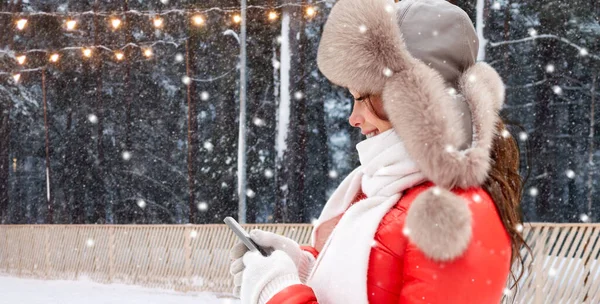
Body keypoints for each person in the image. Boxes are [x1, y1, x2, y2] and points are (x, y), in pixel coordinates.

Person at [229, 0, 526, 303]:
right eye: (352, 99)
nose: (354, 118)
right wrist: (301, 267)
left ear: (415, 97)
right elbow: (369, 283)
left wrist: (278, 293)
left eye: (367, 98)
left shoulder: (454, 214)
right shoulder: (382, 190)